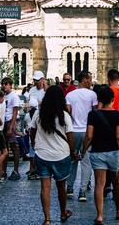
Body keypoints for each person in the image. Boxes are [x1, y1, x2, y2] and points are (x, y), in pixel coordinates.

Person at [81, 86, 119, 224]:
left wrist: (83, 150)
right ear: (113, 100)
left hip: (98, 153)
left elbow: (89, 136)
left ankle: (100, 215)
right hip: (114, 153)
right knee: (117, 183)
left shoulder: (93, 114)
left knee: (99, 185)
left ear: (99, 99)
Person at [30, 85, 76, 224]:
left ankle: (47, 219)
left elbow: (32, 131)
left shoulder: (39, 114)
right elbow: (70, 137)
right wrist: (72, 152)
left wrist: (34, 145)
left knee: (45, 187)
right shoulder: (64, 115)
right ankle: (63, 212)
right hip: (61, 154)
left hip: (42, 154)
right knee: (61, 186)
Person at [65, 71, 98, 201]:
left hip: (73, 131)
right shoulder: (92, 95)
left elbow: (67, 112)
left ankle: (69, 188)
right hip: (87, 131)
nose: (91, 81)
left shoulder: (70, 95)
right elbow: (95, 112)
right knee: (86, 162)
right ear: (84, 79)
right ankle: (82, 192)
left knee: (72, 159)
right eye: (89, 79)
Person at [1, 77, 21, 181]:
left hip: (10, 122)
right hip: (3, 122)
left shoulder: (14, 96)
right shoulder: (3, 96)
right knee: (4, 147)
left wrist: (11, 126)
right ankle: (3, 171)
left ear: (10, 85)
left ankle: (16, 170)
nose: (4, 86)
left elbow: (15, 112)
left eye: (6, 84)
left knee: (14, 146)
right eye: (3, 84)